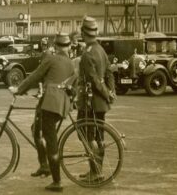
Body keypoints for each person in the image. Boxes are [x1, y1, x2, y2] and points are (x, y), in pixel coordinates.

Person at [9, 33, 75, 193]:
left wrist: (19, 89)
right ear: (67, 47)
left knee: (50, 139)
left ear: (56, 46)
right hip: (60, 103)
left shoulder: (51, 59)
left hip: (51, 104)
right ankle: (44, 166)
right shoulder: (70, 63)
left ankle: (57, 181)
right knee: (35, 129)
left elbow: (36, 75)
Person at [76, 16, 115, 183]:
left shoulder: (87, 54)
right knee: (99, 137)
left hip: (90, 102)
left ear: (84, 34)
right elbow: (109, 73)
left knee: (85, 134)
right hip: (101, 104)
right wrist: (111, 92)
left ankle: (96, 171)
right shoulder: (101, 50)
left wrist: (106, 93)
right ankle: (94, 169)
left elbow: (93, 80)